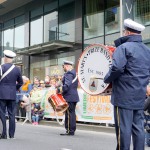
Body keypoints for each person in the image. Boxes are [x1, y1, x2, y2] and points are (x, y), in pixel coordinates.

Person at [104, 18, 150, 150]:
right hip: (140, 97)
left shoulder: (123, 48)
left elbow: (117, 68)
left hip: (123, 96)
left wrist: (106, 79)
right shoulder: (147, 51)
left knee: (123, 130)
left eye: (124, 31)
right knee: (138, 129)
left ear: (127, 33)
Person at [0, 50, 23, 139]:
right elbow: (20, 82)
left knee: (2, 114)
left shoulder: (1, 67)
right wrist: (14, 88)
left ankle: (3, 134)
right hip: (12, 94)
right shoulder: (17, 69)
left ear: (5, 58)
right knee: (12, 114)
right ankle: (12, 134)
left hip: (1, 94)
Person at [57, 60, 79, 136]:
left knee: (69, 114)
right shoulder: (74, 73)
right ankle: (72, 130)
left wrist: (59, 89)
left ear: (66, 66)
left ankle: (69, 130)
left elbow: (67, 85)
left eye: (63, 67)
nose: (63, 68)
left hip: (69, 96)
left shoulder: (69, 73)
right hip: (74, 96)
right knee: (72, 113)